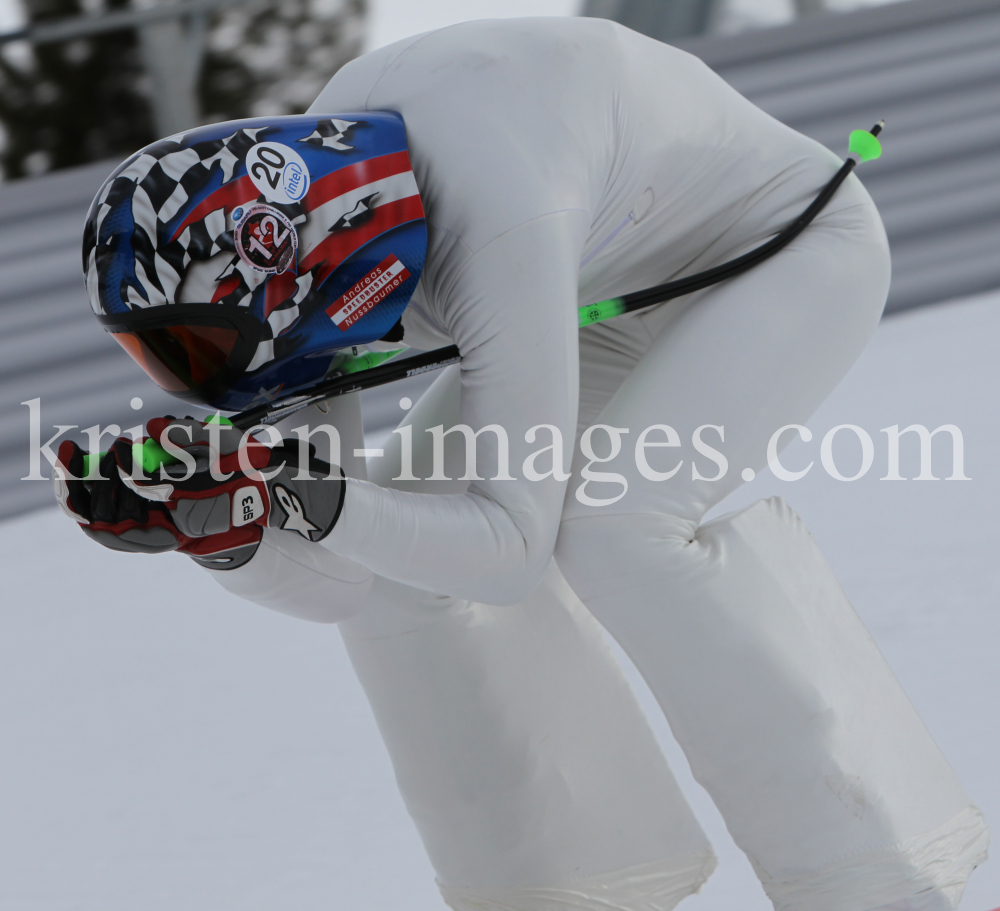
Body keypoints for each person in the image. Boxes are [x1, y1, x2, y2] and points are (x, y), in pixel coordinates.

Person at [54, 17, 986, 911]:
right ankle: (563, 894)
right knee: (403, 564)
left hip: (777, 257)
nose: (198, 380)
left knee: (617, 531)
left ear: (283, 263)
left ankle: (876, 886)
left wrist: (301, 493)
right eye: (160, 352)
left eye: (194, 343)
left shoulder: (491, 202)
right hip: (606, 286)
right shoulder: (315, 234)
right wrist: (217, 531)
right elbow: (344, 581)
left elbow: (507, 550)